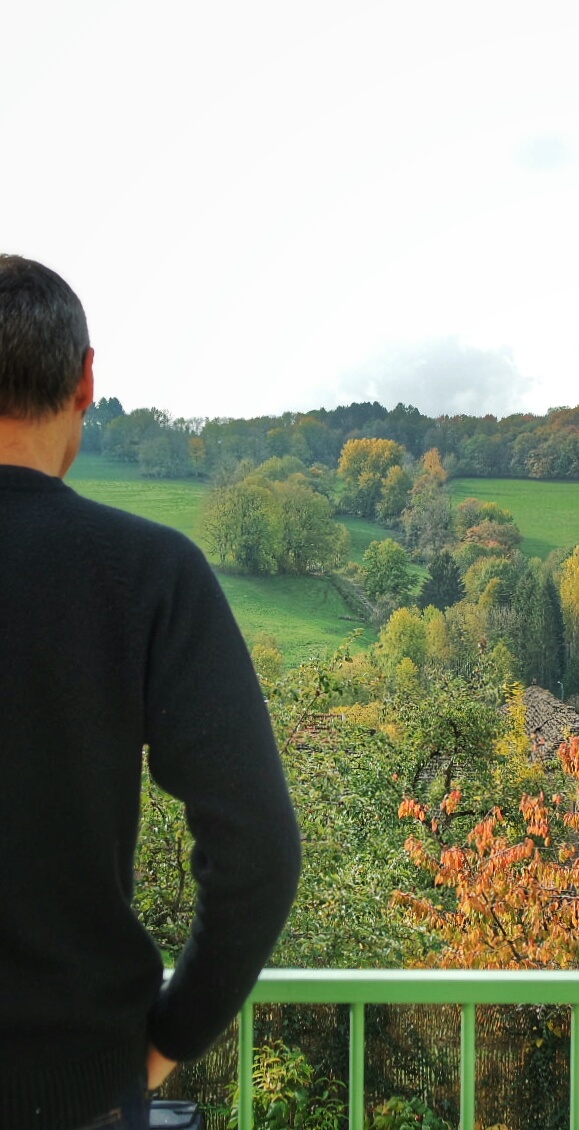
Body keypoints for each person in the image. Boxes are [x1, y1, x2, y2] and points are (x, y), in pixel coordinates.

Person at [0, 254, 302, 1129]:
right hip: (81, 1092)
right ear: (87, 378)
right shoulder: (149, 574)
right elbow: (258, 852)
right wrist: (165, 1038)